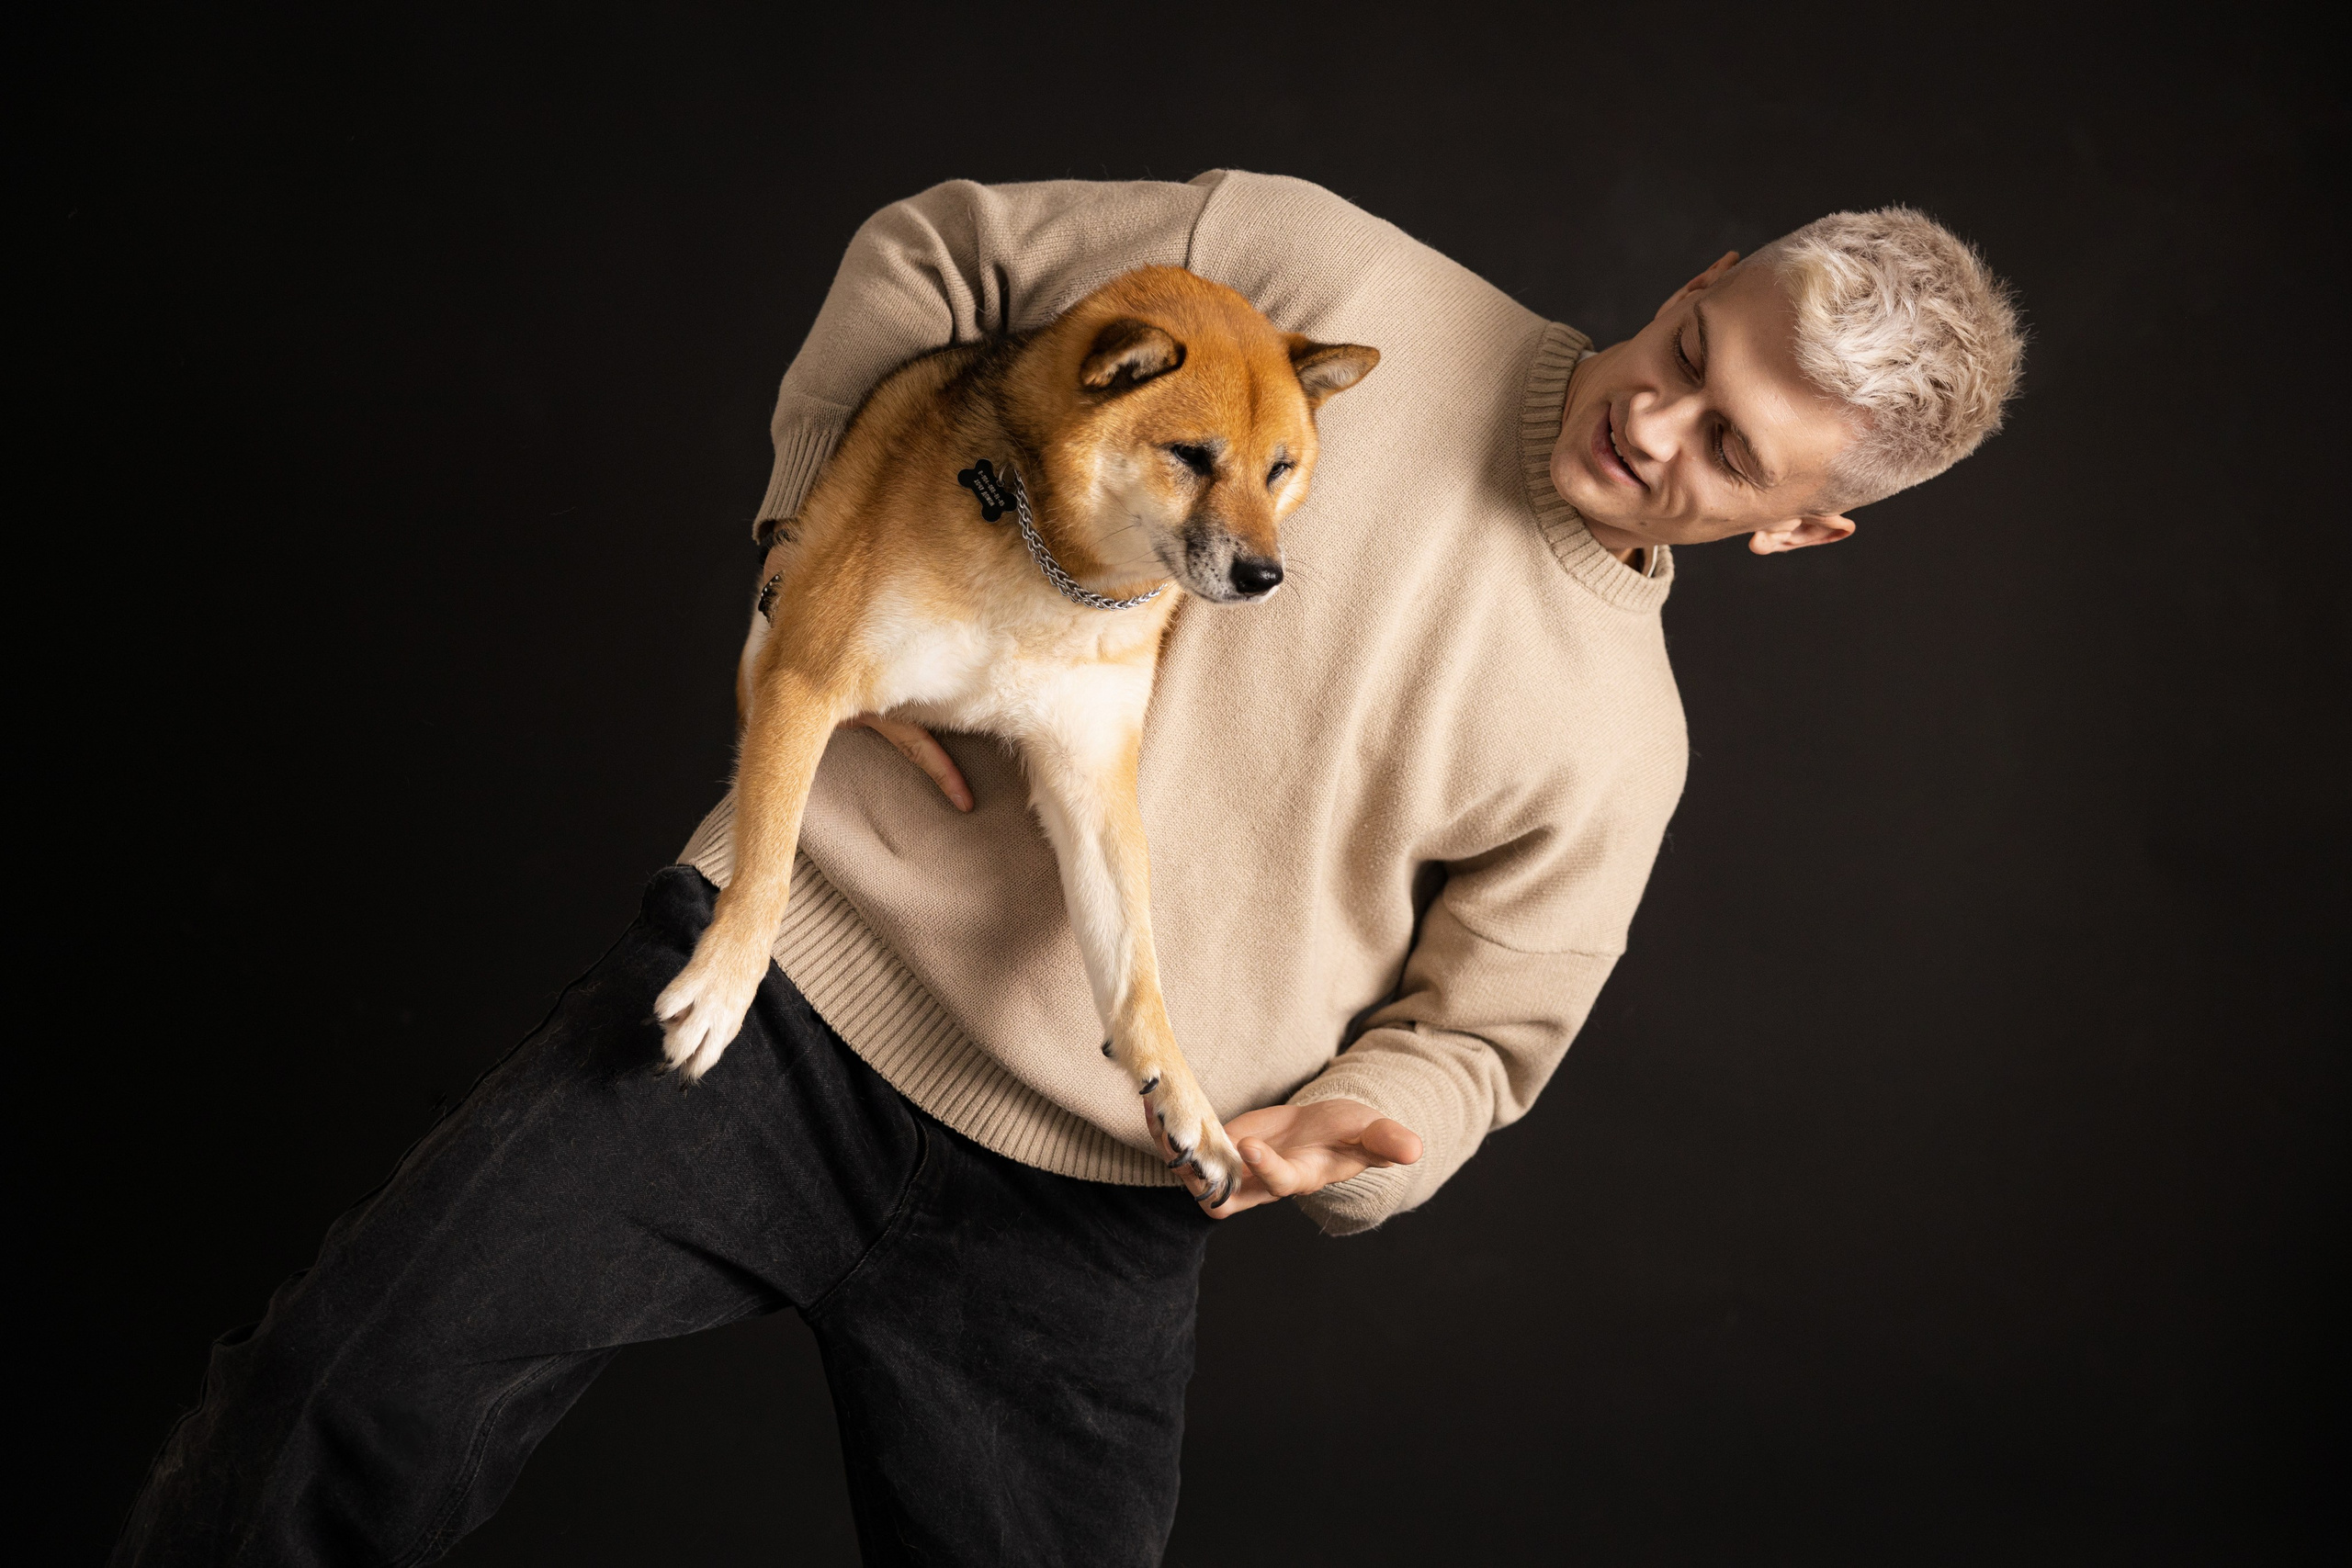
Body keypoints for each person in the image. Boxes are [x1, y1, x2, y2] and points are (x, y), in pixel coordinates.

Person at [114, 172, 2022, 1566]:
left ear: (1806, 531)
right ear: (1697, 277)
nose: (1654, 420)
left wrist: (1356, 1129)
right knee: (326, 1408)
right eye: (1689, 350)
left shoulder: (1621, 745)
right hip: (782, 1002)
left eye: (1728, 450)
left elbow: (1480, 1041)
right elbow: (936, 252)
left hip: (1089, 1208)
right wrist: (807, 551)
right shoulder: (1305, 262)